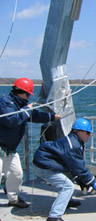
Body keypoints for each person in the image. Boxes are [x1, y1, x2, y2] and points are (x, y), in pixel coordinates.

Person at [0, 78, 60, 208]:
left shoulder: (21, 106)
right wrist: (26, 110)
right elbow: (11, 120)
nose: (28, 98)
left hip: (10, 148)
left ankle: (13, 199)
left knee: (16, 174)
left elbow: (35, 116)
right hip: (0, 146)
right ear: (19, 92)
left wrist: (51, 117)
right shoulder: (5, 103)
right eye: (27, 94)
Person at [33, 118, 96, 221]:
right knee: (68, 187)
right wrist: (92, 181)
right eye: (88, 133)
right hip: (43, 167)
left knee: (69, 176)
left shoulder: (74, 141)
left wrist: (81, 179)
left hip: (47, 162)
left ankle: (66, 201)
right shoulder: (73, 145)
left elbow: (73, 166)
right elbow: (78, 167)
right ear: (79, 132)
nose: (89, 136)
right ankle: (54, 218)